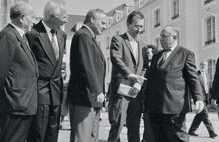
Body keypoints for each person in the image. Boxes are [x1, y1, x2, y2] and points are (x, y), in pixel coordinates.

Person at [144, 25, 204, 142]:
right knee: (159, 138)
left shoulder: (186, 54)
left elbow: (193, 78)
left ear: (175, 37)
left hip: (174, 107)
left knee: (177, 138)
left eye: (164, 36)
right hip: (155, 106)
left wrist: (198, 98)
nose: (160, 39)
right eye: (160, 36)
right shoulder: (156, 56)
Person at [0, 1, 38, 142]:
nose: (34, 22)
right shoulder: (8, 36)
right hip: (15, 104)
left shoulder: (20, 37)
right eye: (33, 17)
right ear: (22, 18)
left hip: (23, 104)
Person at [26, 1, 67, 142]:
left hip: (56, 91)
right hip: (39, 91)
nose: (66, 19)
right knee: (38, 133)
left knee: (52, 133)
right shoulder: (32, 34)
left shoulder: (62, 35)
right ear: (54, 16)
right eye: (64, 16)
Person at [67, 9, 106, 142]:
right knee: (82, 138)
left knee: (91, 138)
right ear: (92, 19)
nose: (105, 26)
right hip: (84, 98)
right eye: (103, 22)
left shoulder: (89, 37)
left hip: (92, 98)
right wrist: (97, 90)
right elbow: (87, 66)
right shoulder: (83, 36)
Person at [108, 11, 146, 142]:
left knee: (134, 128)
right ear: (128, 24)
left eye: (141, 26)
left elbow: (144, 66)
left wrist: (139, 82)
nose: (139, 30)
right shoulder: (118, 39)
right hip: (121, 91)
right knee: (117, 126)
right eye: (136, 26)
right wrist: (129, 75)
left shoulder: (142, 44)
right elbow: (115, 58)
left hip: (136, 91)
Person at [188, 61, 217, 138]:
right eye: (203, 65)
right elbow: (193, 86)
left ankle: (191, 130)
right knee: (205, 115)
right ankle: (212, 132)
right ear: (200, 66)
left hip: (205, 98)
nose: (204, 66)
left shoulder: (207, 75)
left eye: (206, 65)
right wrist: (193, 98)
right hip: (199, 98)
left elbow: (207, 87)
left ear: (207, 67)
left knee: (199, 116)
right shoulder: (196, 74)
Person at [141, 45, 157, 142]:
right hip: (145, 100)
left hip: (155, 101)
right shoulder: (143, 67)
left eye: (148, 53)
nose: (146, 55)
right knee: (147, 123)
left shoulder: (157, 66)